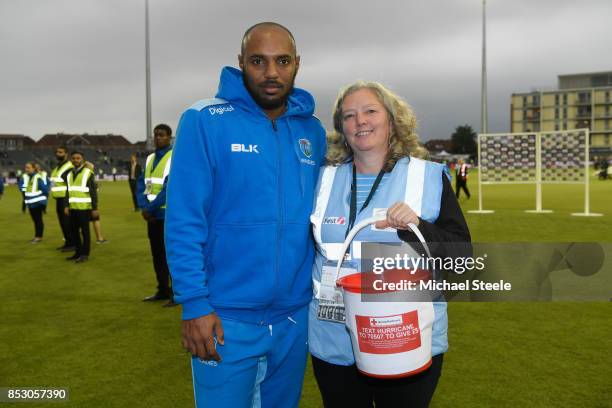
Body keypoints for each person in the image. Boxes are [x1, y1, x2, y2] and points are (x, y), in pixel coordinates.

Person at [165, 22, 326, 408]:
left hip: (293, 316)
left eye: (282, 61)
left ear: (297, 65)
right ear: (241, 63)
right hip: (225, 316)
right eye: (259, 61)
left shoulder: (312, 129)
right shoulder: (205, 120)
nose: (271, 73)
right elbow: (185, 220)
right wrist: (195, 303)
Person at [309, 81, 471, 408]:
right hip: (333, 339)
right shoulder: (322, 179)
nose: (360, 121)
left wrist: (417, 227)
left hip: (403, 338)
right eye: (349, 115)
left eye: (370, 111)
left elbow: (462, 259)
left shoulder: (427, 176)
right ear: (341, 126)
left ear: (392, 120)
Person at [138, 124, 176, 307]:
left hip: (168, 215)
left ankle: (177, 294)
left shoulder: (174, 156)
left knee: (171, 256)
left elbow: (170, 188)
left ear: (170, 137)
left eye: (161, 135)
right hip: (152, 215)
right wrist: (144, 206)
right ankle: (162, 290)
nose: (157, 138)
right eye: (155, 135)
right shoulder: (150, 158)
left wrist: (149, 208)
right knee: (157, 255)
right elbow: (144, 184)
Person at [64, 151, 98, 263]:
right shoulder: (69, 174)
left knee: (85, 232)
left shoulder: (88, 173)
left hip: (84, 208)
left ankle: (85, 254)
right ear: (71, 160)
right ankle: (78, 252)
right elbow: (68, 191)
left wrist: (94, 208)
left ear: (82, 160)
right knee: (74, 232)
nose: (76, 160)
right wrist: (66, 205)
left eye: (78, 158)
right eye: (73, 158)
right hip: (73, 208)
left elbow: (93, 192)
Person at [49, 146, 75, 251]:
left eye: (60, 152)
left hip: (65, 198)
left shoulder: (69, 167)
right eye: (57, 152)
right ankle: (68, 243)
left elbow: (70, 184)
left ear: (66, 154)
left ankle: (72, 244)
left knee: (67, 222)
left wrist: (68, 202)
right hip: (58, 198)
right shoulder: (57, 167)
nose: (58, 154)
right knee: (62, 222)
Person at [23, 162, 49, 243]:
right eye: (26, 167)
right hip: (31, 203)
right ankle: (37, 236)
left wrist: (41, 199)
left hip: (37, 203)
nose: (26, 169)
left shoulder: (37, 177)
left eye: (28, 167)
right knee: (35, 220)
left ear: (34, 168)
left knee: (38, 220)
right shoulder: (27, 177)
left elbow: (45, 190)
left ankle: (38, 237)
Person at [84, 161, 108, 244]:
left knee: (80, 221)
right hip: (89, 202)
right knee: (95, 219)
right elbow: (92, 192)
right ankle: (99, 238)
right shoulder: (89, 175)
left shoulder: (79, 175)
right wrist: (95, 206)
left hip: (80, 203)